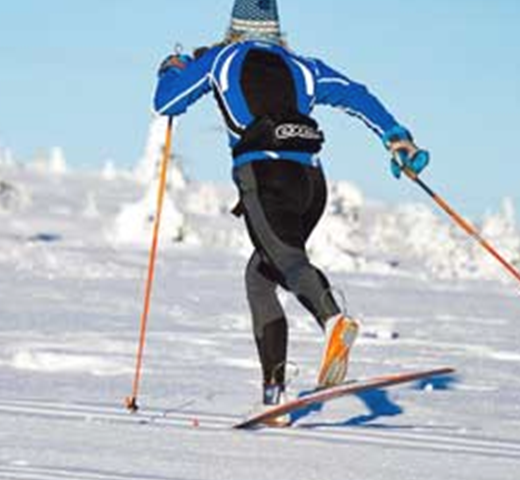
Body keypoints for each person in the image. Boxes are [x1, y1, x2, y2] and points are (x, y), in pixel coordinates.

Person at [152, 0, 430, 421]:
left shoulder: (221, 60)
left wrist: (171, 69)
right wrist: (396, 137)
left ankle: (332, 318)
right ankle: (274, 396)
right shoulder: (304, 67)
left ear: (234, 28)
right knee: (261, 276)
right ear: (277, 31)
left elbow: (166, 103)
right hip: (311, 185)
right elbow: (358, 96)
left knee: (286, 261)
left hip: (264, 178)